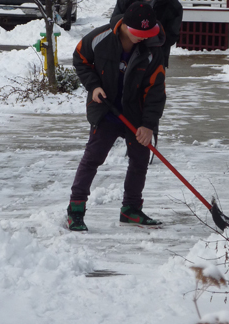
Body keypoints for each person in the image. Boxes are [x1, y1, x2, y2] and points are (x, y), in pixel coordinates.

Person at [67, 1, 166, 232]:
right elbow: (80, 59)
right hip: (107, 110)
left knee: (139, 161)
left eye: (147, 34)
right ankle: (76, 210)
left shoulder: (152, 50)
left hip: (137, 115)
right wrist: (93, 86)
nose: (144, 38)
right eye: (139, 34)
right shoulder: (100, 38)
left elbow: (156, 91)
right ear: (125, 26)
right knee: (92, 159)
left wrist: (148, 125)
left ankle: (130, 209)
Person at [111, 0, 183, 68]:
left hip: (154, 58)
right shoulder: (125, 1)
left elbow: (171, 36)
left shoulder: (172, 5)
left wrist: (148, 37)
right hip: (124, 54)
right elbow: (115, 22)